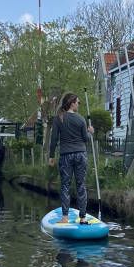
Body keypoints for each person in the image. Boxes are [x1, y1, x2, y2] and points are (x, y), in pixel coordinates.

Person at [48, 92, 94, 224]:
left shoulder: (59, 118)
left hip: (66, 155)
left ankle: (65, 218)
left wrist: (51, 156)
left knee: (65, 186)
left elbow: (54, 139)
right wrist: (90, 132)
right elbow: (85, 139)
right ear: (72, 103)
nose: (78, 104)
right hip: (81, 154)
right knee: (81, 185)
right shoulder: (80, 119)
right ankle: (83, 217)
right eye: (78, 102)